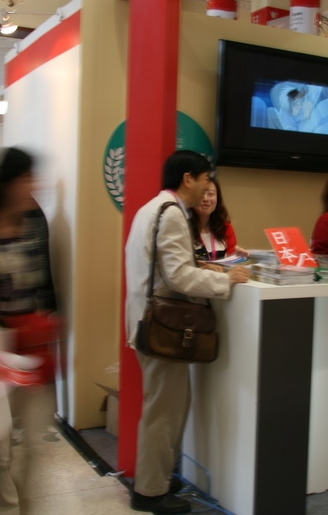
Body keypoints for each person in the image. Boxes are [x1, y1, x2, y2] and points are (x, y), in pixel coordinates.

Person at [125, 150, 250, 514]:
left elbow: (166, 266)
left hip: (148, 322)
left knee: (168, 406)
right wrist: (225, 280)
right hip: (162, 326)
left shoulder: (153, 208)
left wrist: (206, 267)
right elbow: (178, 276)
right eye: (206, 179)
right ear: (188, 179)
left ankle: (159, 476)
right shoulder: (172, 214)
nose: (208, 187)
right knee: (164, 412)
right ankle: (150, 492)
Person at [0, 147, 58, 514]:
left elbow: (46, 282)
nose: (34, 185)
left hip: (34, 347)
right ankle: (4, 507)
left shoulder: (35, 220)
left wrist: (48, 322)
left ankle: (25, 506)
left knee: (35, 444)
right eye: (27, 178)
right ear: (9, 183)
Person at [188, 178, 248, 262]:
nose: (206, 199)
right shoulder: (184, 227)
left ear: (217, 198)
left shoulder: (225, 227)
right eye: (201, 193)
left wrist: (237, 257)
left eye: (211, 194)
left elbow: (231, 260)